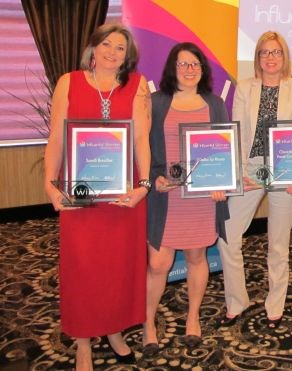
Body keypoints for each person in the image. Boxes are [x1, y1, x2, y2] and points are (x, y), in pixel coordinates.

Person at [43, 23, 151, 370]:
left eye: (120, 48)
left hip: (123, 194)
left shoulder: (138, 85)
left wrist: (144, 185)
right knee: (83, 266)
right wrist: (49, 182)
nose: (112, 52)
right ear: (93, 47)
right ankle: (83, 341)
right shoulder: (68, 82)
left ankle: (115, 330)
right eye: (106, 44)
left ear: (127, 55)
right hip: (81, 192)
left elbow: (141, 141)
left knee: (119, 267)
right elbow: (57, 137)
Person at [144, 42, 230, 356]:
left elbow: (224, 150)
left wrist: (222, 183)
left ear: (202, 69)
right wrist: (155, 179)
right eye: (183, 64)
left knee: (196, 258)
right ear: (172, 68)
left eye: (195, 64)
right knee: (158, 263)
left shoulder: (214, 103)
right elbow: (144, 150)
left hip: (200, 198)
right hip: (166, 197)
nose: (189, 69)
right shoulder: (155, 102)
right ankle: (148, 322)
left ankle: (192, 317)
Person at [217, 31, 292, 329]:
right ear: (257, 58)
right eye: (264, 53)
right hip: (251, 169)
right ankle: (237, 301)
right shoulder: (245, 87)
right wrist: (239, 173)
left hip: (284, 170)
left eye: (276, 52)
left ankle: (275, 304)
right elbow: (239, 133)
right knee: (227, 235)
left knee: (278, 244)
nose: (270, 58)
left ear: (284, 57)